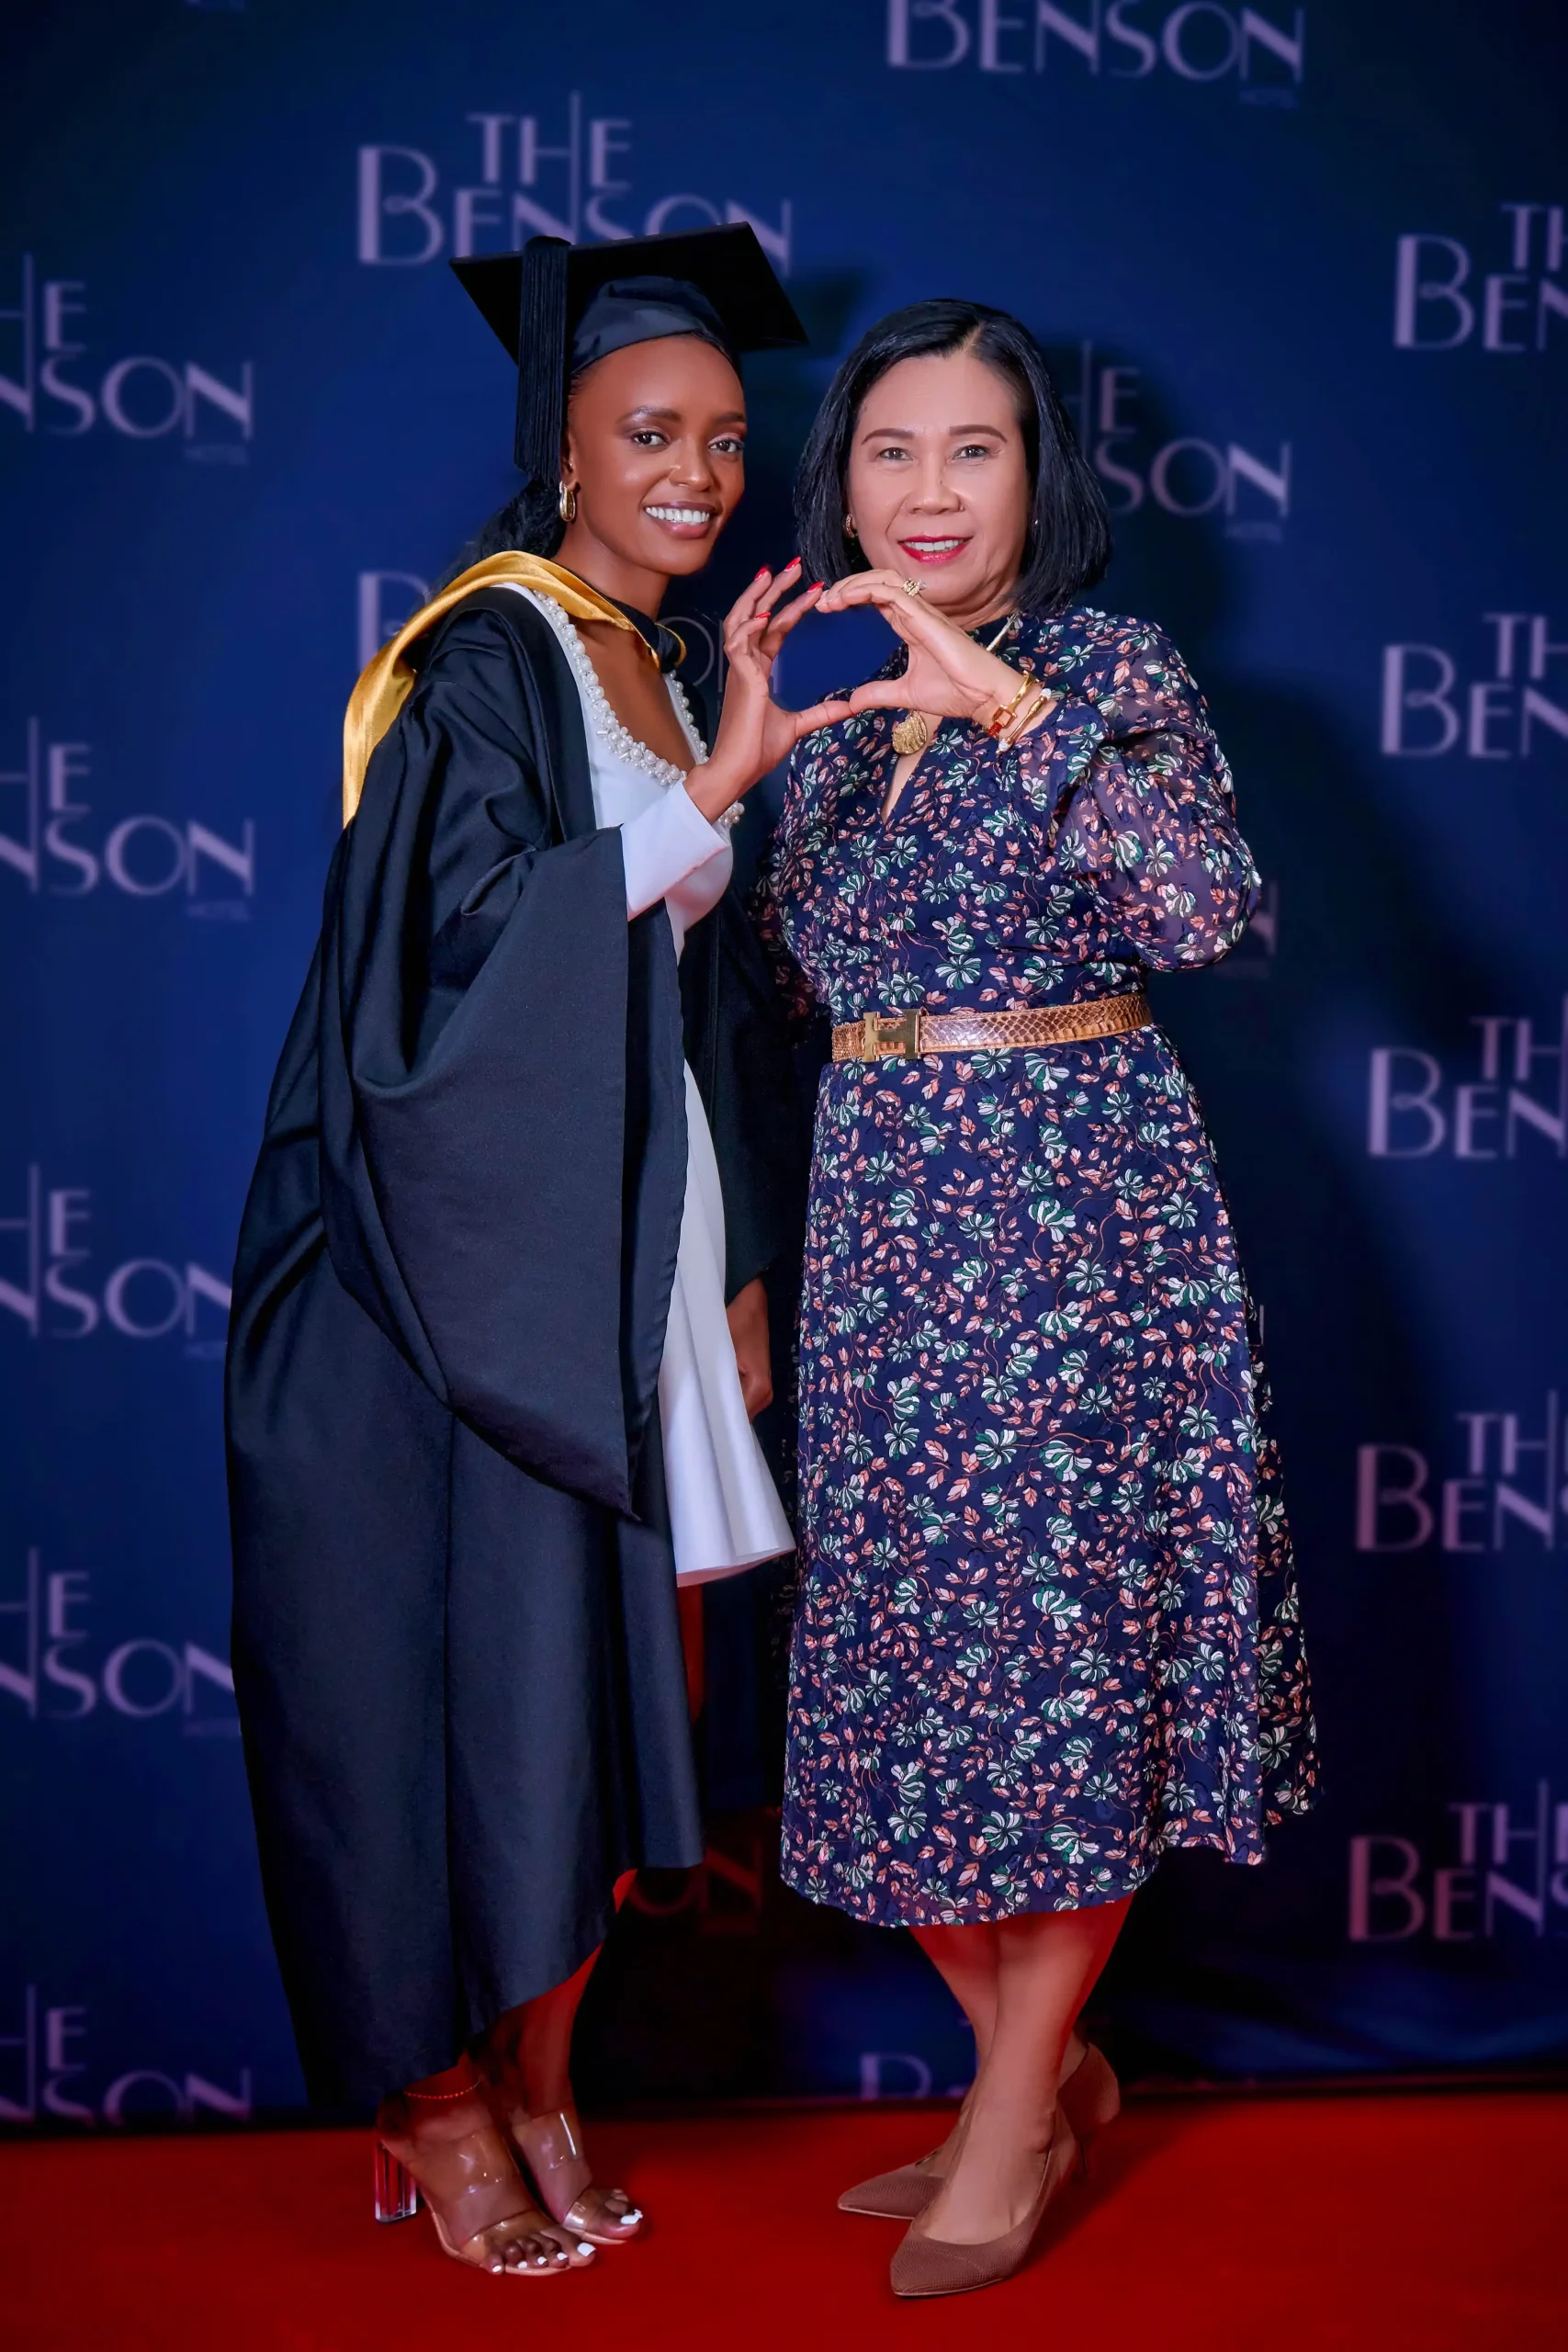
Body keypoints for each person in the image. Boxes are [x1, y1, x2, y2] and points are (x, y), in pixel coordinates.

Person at [691, 299, 1319, 2298]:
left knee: (1062, 1677)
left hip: (1074, 1224)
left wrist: (1005, 702)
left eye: (975, 447)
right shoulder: (827, 710)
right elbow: (770, 1010)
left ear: (1037, 476)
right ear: (842, 478)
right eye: (892, 448)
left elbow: (1202, 910)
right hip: (883, 1243)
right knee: (912, 1682)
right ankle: (1036, 2076)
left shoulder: (1108, 669)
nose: (931, 489)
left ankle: (1014, 2106)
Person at [226, 225, 807, 2279]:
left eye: (722, 437)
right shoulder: (480, 656)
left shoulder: (668, 657)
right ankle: (437, 2095)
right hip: (444, 1259)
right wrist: (715, 791)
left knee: (607, 1694)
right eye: (648, 432)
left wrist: (737, 1264)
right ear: (561, 448)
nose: (696, 473)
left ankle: (545, 2072)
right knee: (444, 1687)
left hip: (629, 1248)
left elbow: (700, 1002)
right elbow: (445, 968)